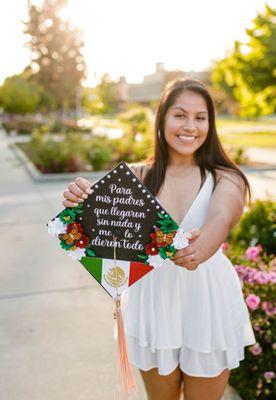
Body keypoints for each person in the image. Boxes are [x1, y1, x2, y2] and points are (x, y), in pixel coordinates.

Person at [62, 78, 256, 400]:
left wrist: (200, 248)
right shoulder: (137, 177)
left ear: (211, 123)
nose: (190, 126)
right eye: (180, 115)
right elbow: (96, 224)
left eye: (200, 117)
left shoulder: (226, 176)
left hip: (208, 300)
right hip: (152, 301)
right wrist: (77, 198)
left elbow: (221, 218)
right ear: (162, 119)